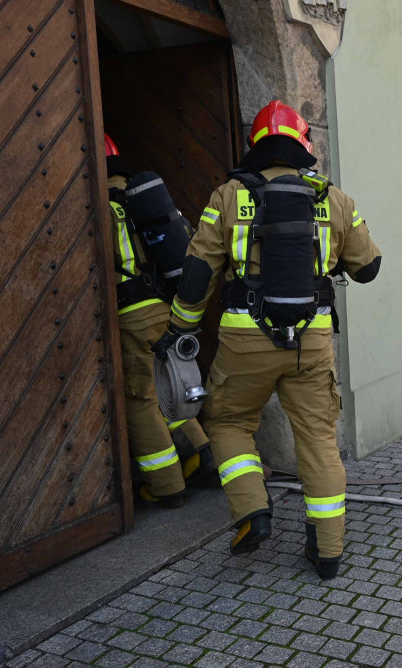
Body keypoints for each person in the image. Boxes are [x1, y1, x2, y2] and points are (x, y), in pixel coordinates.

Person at [153, 100, 382, 580]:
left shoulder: (228, 196)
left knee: (229, 421)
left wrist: (180, 328)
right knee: (319, 438)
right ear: (303, 144)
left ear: (255, 146)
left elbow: (198, 274)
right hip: (312, 340)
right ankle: (328, 551)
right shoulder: (334, 198)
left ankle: (253, 511)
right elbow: (369, 268)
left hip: (244, 339)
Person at [105, 136, 215, 508]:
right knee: (168, 388)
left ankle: (167, 485)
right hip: (161, 305)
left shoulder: (98, 205)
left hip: (130, 313)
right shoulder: (141, 200)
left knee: (141, 399)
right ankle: (200, 453)